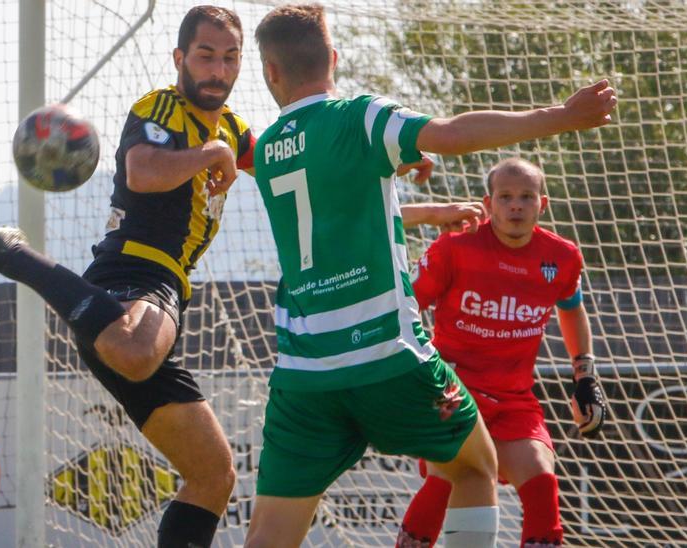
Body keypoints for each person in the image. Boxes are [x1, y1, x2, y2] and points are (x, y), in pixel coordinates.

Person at [243, 4, 617, 547]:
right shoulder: (359, 117)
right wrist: (559, 116)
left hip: (303, 375)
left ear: (270, 73)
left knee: (269, 538)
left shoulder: (272, 149)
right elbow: (450, 132)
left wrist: (430, 208)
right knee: (472, 465)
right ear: (335, 59)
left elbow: (342, 211)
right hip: (385, 356)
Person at [0, 7, 250, 546]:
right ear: (180, 59)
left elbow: (286, 168)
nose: (217, 70)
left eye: (229, 58)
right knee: (135, 351)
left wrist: (390, 168)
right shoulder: (161, 108)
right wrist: (213, 153)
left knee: (213, 474)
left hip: (146, 297)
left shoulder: (234, 129)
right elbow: (143, 172)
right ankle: (17, 257)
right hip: (130, 273)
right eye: (205, 56)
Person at [398, 158, 608, 548]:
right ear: (488, 203)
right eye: (506, 197)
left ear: (541, 205)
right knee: (444, 481)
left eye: (526, 197)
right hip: (453, 394)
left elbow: (572, 308)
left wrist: (585, 377)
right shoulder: (454, 249)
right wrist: (416, 375)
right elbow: (405, 309)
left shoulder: (560, 257)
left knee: (543, 478)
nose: (516, 205)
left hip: (513, 400)